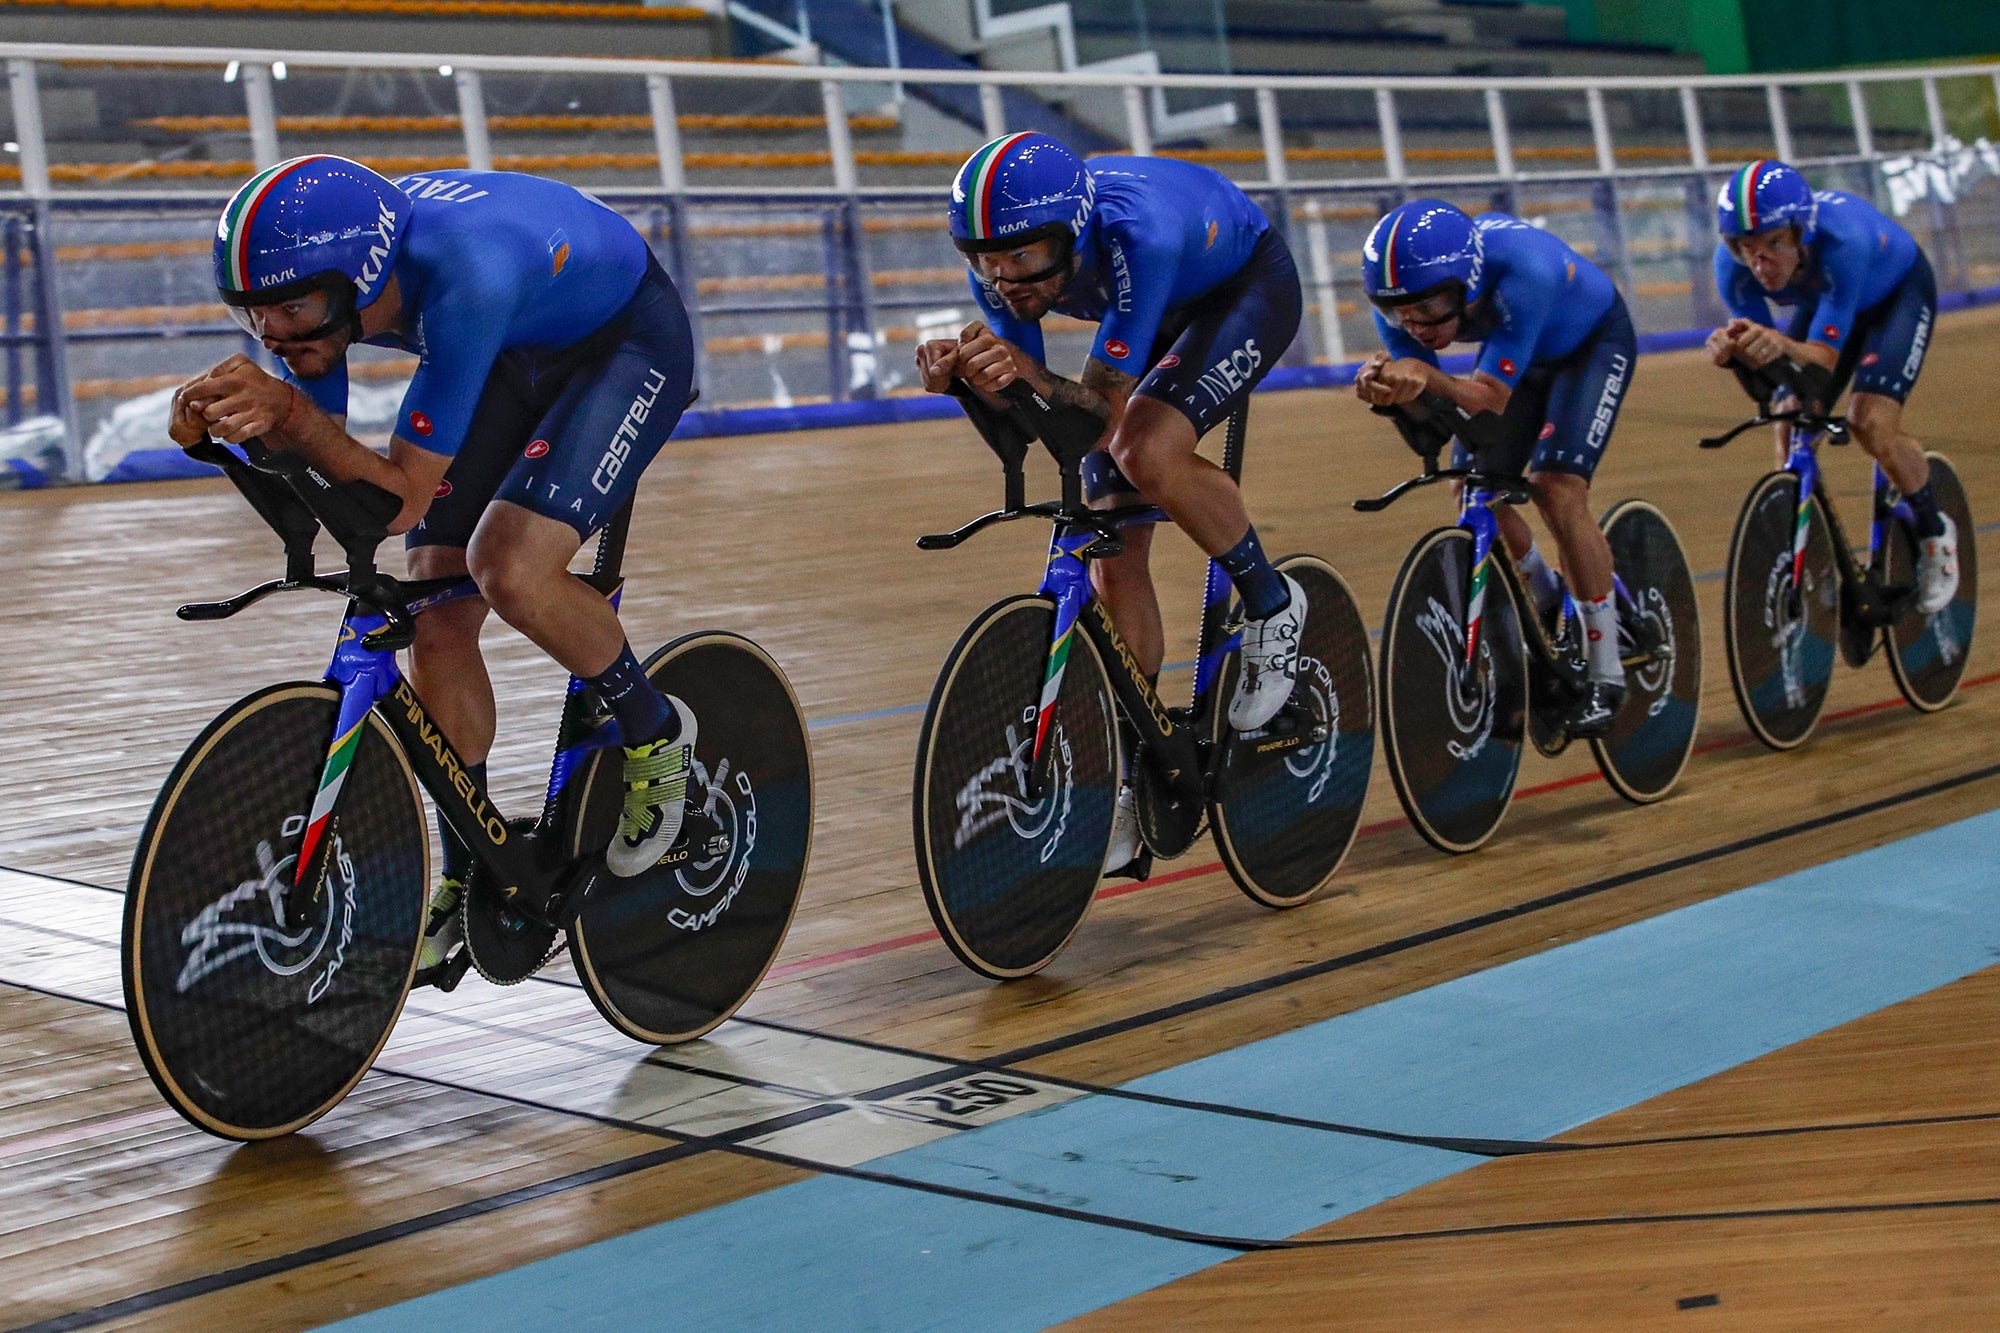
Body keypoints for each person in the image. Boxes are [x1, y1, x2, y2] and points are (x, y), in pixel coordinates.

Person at [168, 155, 701, 977]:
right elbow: (330, 467)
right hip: (515, 343)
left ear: (360, 278)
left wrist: (291, 418)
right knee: (431, 605)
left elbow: (399, 496)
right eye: (252, 317)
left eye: (290, 310)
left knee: (512, 567)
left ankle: (656, 732)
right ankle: (471, 864)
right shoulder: (323, 291)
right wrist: (240, 439)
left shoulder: (465, 276)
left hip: (623, 342)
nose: (274, 335)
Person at [914, 132, 1307, 874]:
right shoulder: (1000, 270)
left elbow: (1095, 405)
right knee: (1112, 540)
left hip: (1243, 288)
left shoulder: (1137, 235)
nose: (1004, 280)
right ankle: (1141, 765)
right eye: (984, 260)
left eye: (1024, 258)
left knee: (1144, 450)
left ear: (1073, 231)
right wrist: (969, 379)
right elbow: (1036, 415)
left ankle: (1272, 601)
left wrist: (1022, 369)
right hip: (1150, 307)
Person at [1354, 199, 1634, 737]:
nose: (1416, 324)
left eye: (1433, 304)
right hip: (1522, 359)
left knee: (1556, 490)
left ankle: (1607, 672)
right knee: (1470, 490)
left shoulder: (1523, 273)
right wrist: (1390, 390)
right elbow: (1437, 413)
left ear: (1469, 280)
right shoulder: (1401, 306)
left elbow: (1486, 398)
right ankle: (1548, 593)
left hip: (1591, 347)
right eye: (1398, 312)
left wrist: (1423, 376)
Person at [1705, 158, 1958, 613]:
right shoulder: (1732, 269)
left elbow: (1822, 359)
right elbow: (1772, 378)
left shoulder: (1843, 244)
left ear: (1803, 233)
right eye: (1747, 247)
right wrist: (1735, 354)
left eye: (1775, 243)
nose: (1760, 264)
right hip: (1826, 304)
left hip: (1895, 296)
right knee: (1789, 423)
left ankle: (1936, 534)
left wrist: (1778, 344)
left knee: (1870, 422)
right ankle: (1809, 547)